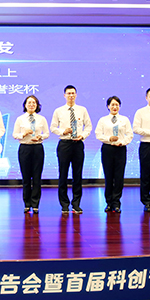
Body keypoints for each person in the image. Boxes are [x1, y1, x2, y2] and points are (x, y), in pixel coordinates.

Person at [50, 85, 93, 214]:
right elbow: (53, 127)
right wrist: (63, 131)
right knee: (63, 174)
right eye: (68, 93)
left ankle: (76, 203)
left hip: (78, 144)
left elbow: (88, 127)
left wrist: (82, 136)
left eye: (73, 93)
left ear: (76, 95)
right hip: (64, 144)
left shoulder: (82, 110)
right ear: (64, 95)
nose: (71, 95)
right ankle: (64, 204)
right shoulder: (58, 111)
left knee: (77, 175)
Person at [94, 96, 133, 213]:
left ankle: (117, 203)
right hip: (108, 149)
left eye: (117, 105)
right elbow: (98, 134)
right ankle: (109, 203)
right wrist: (109, 139)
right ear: (108, 106)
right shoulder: (103, 120)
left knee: (119, 177)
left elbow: (129, 135)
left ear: (119, 106)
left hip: (120, 149)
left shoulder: (124, 119)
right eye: (112, 105)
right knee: (109, 176)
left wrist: (122, 142)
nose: (114, 107)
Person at [12, 95, 49, 214]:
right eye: (29, 103)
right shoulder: (20, 119)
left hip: (37, 148)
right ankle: (27, 204)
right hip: (25, 148)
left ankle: (35, 203)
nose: (31, 105)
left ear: (37, 105)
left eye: (34, 103)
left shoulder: (41, 119)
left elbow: (47, 133)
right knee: (26, 178)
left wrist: (40, 136)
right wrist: (23, 134)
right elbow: (15, 134)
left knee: (37, 177)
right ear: (25, 105)